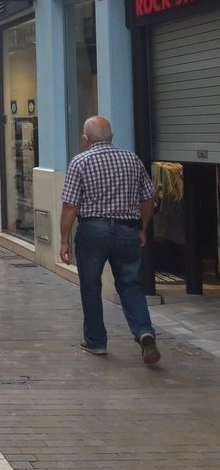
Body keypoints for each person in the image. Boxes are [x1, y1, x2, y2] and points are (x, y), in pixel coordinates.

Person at [59, 116, 160, 365]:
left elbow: (70, 205)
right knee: (130, 285)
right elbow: (149, 200)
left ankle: (96, 341)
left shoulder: (80, 161)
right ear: (111, 137)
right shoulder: (132, 159)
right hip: (127, 231)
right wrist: (142, 227)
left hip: (93, 230)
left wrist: (64, 240)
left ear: (86, 139)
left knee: (91, 286)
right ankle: (143, 331)